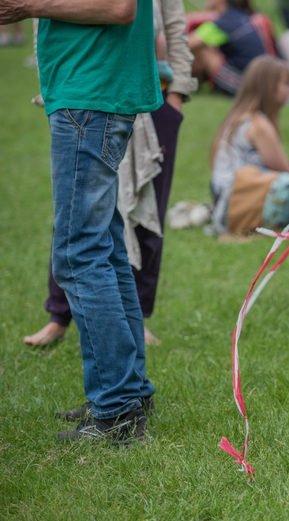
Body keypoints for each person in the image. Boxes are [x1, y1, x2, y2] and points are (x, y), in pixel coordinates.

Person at [0, 0, 163, 444]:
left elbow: (117, 7)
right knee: (105, 251)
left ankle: (116, 413)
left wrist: (27, 7)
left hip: (91, 96)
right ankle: (127, 396)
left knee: (79, 255)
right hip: (93, 94)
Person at [24, 0, 197, 349]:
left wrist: (177, 94)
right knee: (91, 232)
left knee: (94, 240)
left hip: (110, 94)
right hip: (82, 90)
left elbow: (124, 9)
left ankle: (119, 390)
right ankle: (65, 319)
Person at [210, 56, 289, 235]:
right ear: (269, 87)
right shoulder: (259, 124)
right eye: (286, 84)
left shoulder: (240, 117)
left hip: (223, 195)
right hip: (237, 199)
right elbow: (286, 170)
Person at [189, 0, 266, 95]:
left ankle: (179, 84)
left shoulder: (223, 23)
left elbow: (186, 44)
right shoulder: (239, 17)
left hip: (243, 86)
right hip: (258, 81)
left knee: (203, 51)